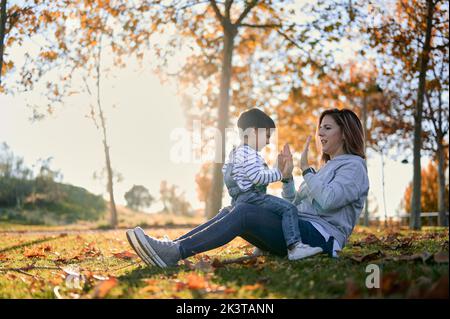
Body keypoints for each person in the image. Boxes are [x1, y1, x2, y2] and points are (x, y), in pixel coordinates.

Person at [126, 108, 370, 268]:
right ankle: (171, 247)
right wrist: (286, 178)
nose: (320, 133)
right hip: (300, 230)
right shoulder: (325, 169)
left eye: (327, 128)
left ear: (346, 134)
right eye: (320, 128)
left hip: (322, 238)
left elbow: (328, 201)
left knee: (244, 212)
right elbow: (294, 205)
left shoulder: (355, 167)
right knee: (235, 207)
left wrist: (306, 169)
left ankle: (175, 252)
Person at [221, 108, 322, 260]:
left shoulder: (236, 153)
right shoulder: (249, 154)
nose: (268, 141)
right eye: (267, 136)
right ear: (255, 132)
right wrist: (280, 173)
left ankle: (262, 246)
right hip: (252, 197)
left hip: (239, 199)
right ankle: (295, 246)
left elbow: (226, 172)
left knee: (268, 215)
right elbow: (257, 177)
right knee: (289, 208)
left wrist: (274, 168)